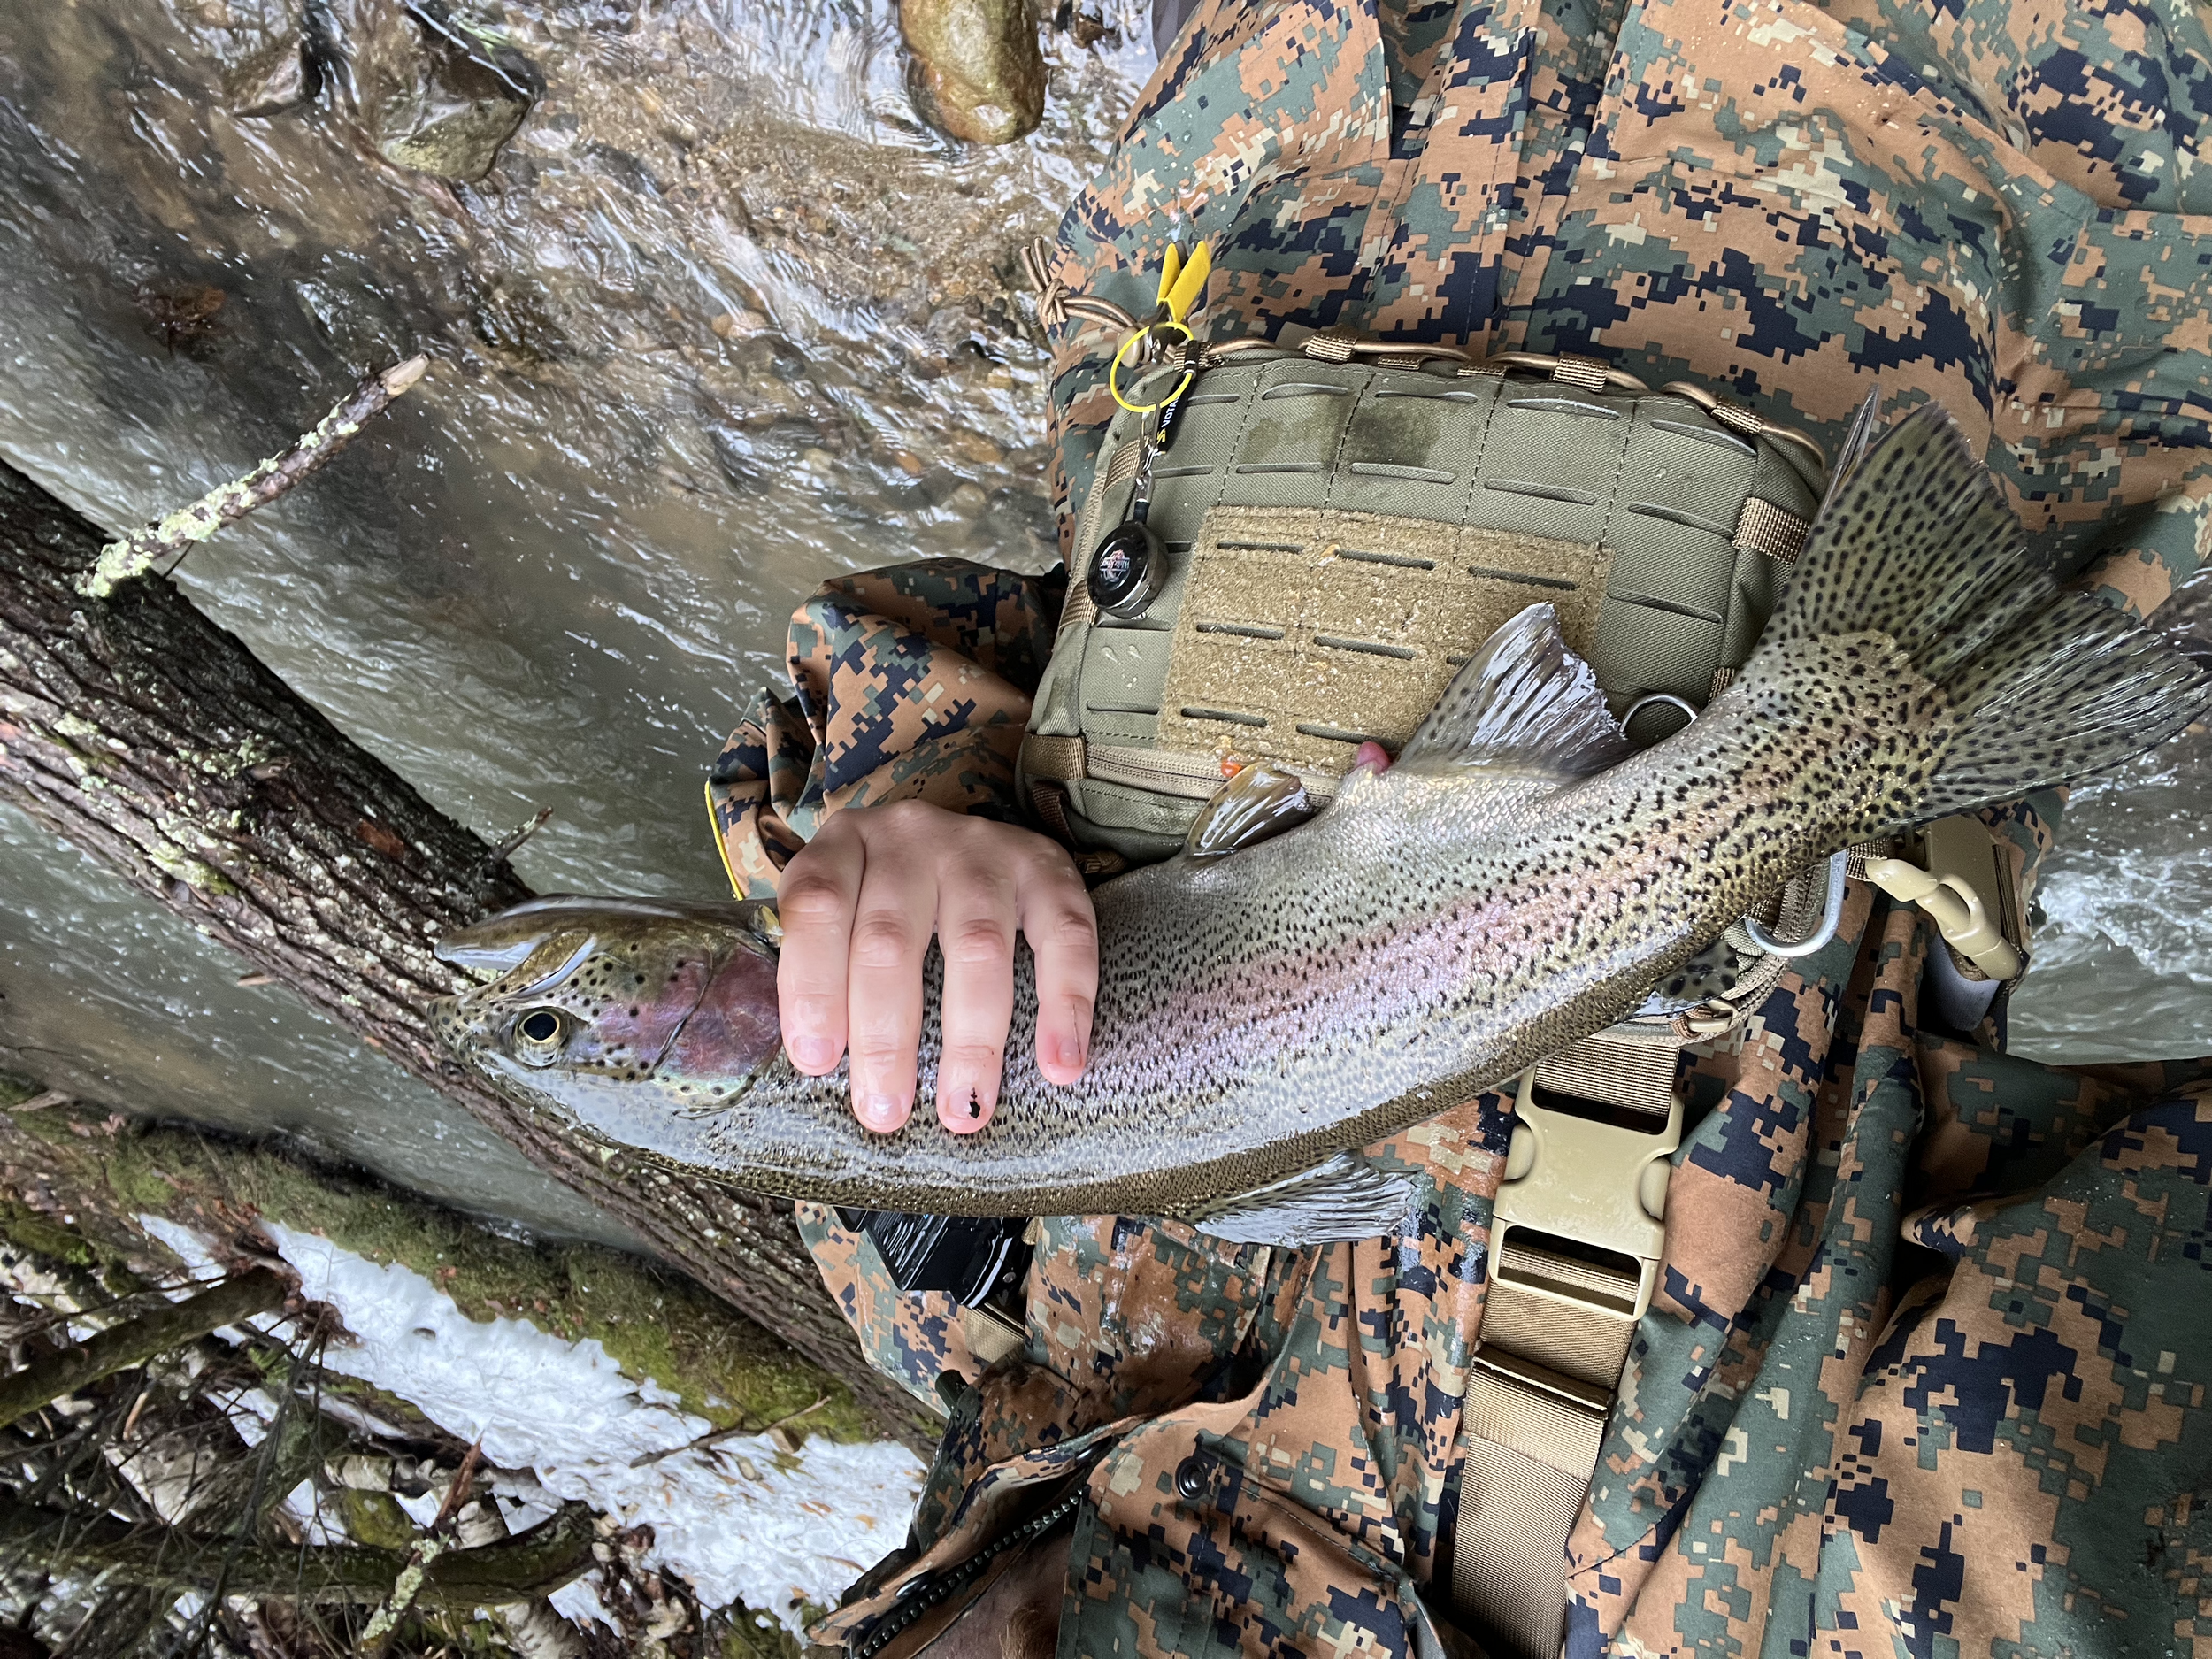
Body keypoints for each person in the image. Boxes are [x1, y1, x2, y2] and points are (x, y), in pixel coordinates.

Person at [705, 0, 2212, 1648]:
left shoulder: (942, 1283)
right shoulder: (1834, 1598)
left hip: (1298, 141)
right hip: (1946, 170)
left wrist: (910, 818)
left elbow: (938, 651)